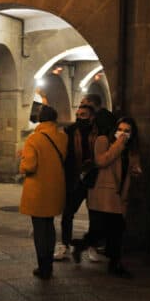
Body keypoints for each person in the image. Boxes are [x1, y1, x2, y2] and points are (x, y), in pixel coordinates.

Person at [72, 117, 142, 278]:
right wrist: (119, 144)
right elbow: (102, 161)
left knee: (116, 230)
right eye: (121, 129)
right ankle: (87, 247)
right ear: (115, 129)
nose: (123, 133)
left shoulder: (131, 148)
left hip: (119, 194)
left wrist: (136, 171)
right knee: (101, 229)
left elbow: (132, 167)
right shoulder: (103, 141)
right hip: (102, 192)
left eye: (127, 131)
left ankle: (109, 261)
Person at [19, 105, 68, 280]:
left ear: (40, 119)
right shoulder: (62, 137)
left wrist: (23, 157)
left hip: (38, 190)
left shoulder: (34, 139)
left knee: (40, 229)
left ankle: (43, 267)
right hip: (55, 188)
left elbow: (29, 166)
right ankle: (49, 264)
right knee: (50, 226)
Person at [54, 105, 99, 261]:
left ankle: (91, 246)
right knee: (68, 213)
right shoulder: (71, 131)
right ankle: (65, 245)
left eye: (84, 115)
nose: (80, 118)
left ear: (91, 116)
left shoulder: (98, 132)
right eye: (78, 114)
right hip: (75, 178)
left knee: (95, 215)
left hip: (93, 178)